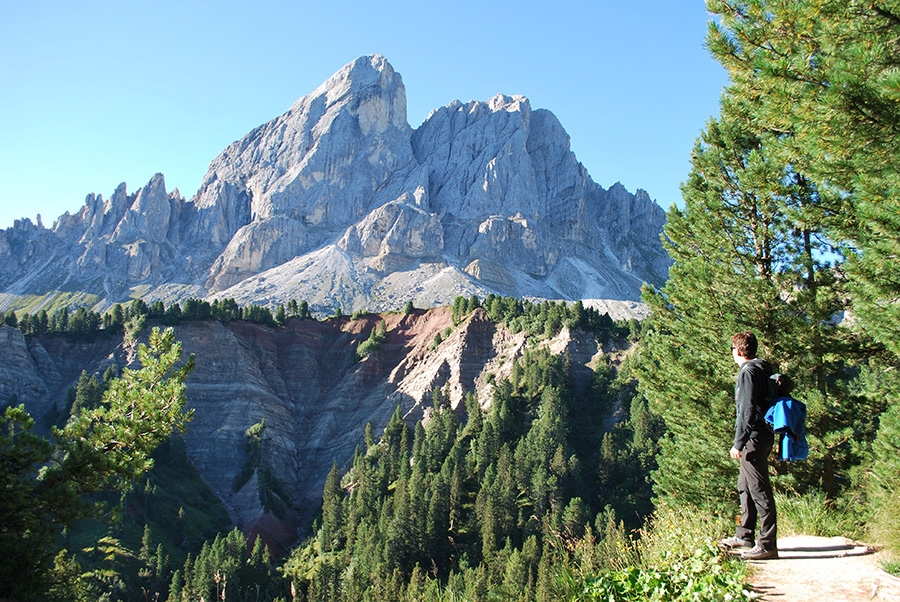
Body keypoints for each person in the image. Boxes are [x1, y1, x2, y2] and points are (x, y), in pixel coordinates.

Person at [720, 331, 778, 560]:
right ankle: (744, 534)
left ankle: (767, 544)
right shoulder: (762, 369)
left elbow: (747, 411)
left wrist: (738, 443)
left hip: (753, 437)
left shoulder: (748, 372)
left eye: (732, 350)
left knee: (759, 490)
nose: (732, 354)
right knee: (745, 485)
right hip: (761, 435)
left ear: (739, 351)